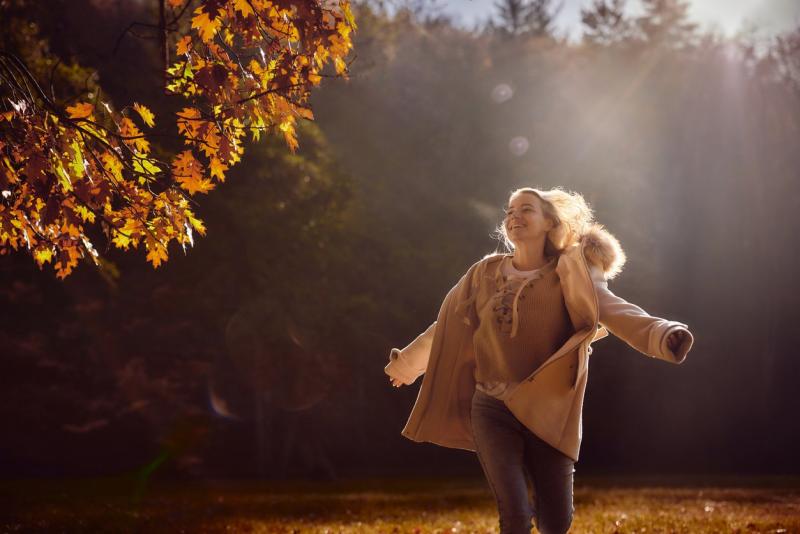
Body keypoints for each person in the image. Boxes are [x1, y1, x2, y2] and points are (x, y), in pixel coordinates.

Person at [384, 187, 694, 534]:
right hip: (491, 406)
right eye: (510, 211)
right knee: (515, 515)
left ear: (550, 222)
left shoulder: (570, 272)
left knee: (556, 522)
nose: (514, 216)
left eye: (526, 209)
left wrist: (662, 334)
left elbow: (611, 308)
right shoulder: (484, 274)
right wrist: (407, 365)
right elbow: (446, 327)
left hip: (550, 409)